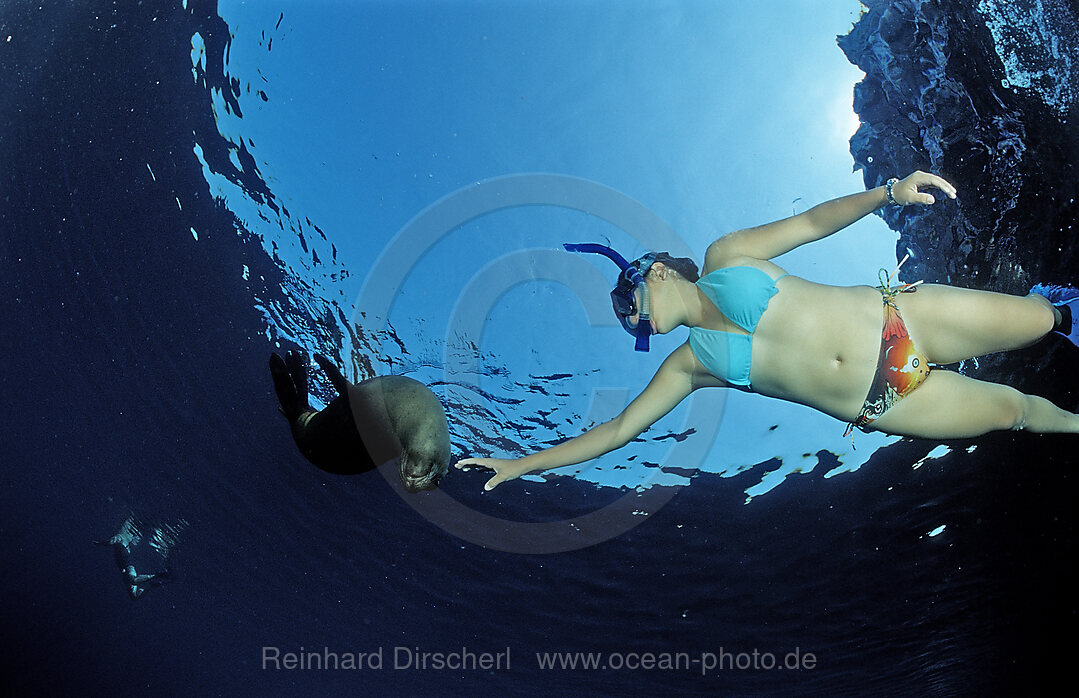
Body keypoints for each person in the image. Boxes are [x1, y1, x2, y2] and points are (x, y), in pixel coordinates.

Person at [457, 171, 1079, 491]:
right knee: (1012, 412)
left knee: (1045, 322)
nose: (630, 315)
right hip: (883, 399)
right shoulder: (687, 367)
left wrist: (889, 192)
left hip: (900, 316)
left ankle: (1051, 306)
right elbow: (621, 430)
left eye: (630, 297)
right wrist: (524, 464)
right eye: (625, 318)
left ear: (655, 271)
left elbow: (809, 223)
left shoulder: (727, 255)